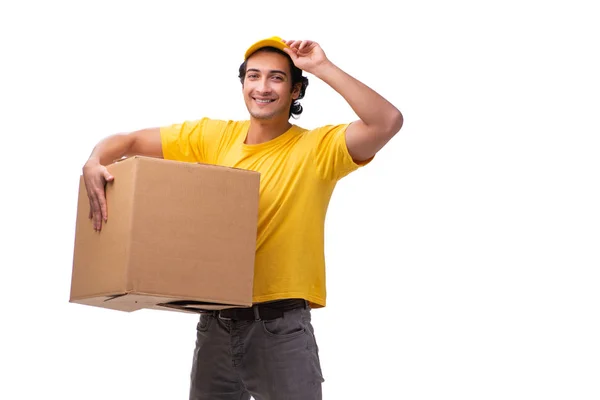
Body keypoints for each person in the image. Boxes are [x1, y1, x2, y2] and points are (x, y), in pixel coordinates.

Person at [82, 36, 403, 400]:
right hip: (214, 322)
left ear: (296, 90)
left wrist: (322, 67)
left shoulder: (318, 148)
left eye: (277, 78)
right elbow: (129, 141)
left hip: (279, 328)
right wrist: (95, 161)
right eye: (253, 76)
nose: (262, 87)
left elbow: (387, 121)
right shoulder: (213, 136)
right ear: (243, 83)